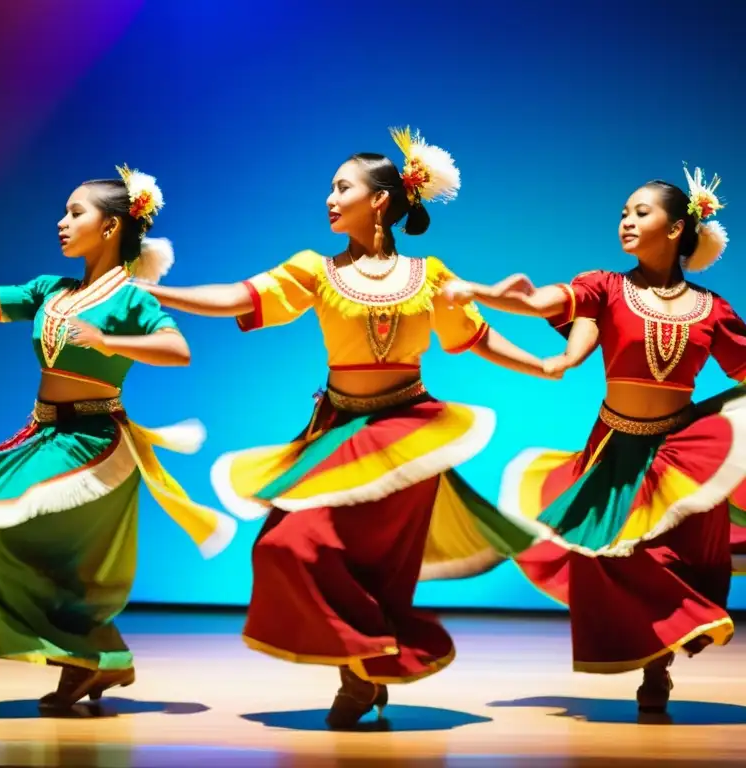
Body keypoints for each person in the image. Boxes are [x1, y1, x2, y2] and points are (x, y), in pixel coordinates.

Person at [139, 127, 551, 729]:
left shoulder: (429, 273)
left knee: (379, 569)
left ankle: (361, 676)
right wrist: (161, 292)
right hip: (339, 434)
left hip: (410, 434)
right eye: (330, 189)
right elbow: (238, 297)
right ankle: (367, 666)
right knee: (287, 544)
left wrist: (542, 365)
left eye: (342, 187)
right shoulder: (316, 270)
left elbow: (477, 338)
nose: (329, 199)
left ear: (380, 200)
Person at [0, 168, 237, 712]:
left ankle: (86, 659)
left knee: (17, 537)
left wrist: (107, 339)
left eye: (76, 212)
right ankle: (98, 658)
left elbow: (179, 350)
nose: (62, 221)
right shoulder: (50, 290)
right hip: (46, 433)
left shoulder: (129, 297)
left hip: (95, 440)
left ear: (110, 227)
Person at [445, 164, 745, 713]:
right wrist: (485, 293)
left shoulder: (713, 310)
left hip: (681, 451)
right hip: (616, 448)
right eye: (623, 214)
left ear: (676, 229)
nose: (626, 221)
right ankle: (652, 654)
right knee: (608, 552)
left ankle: (658, 667)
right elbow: (541, 308)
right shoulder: (604, 288)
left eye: (640, 212)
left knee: (677, 558)